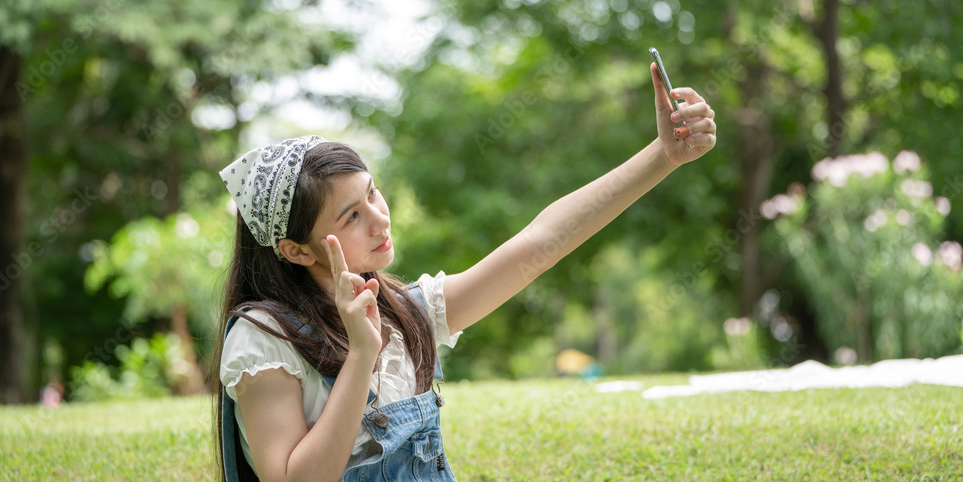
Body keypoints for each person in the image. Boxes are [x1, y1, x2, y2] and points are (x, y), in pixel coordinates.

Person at [213, 63, 717, 482]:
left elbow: (538, 246)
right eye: (351, 216)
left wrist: (663, 156)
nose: (379, 218)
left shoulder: (407, 313)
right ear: (296, 251)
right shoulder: (264, 339)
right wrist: (361, 353)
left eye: (373, 193)